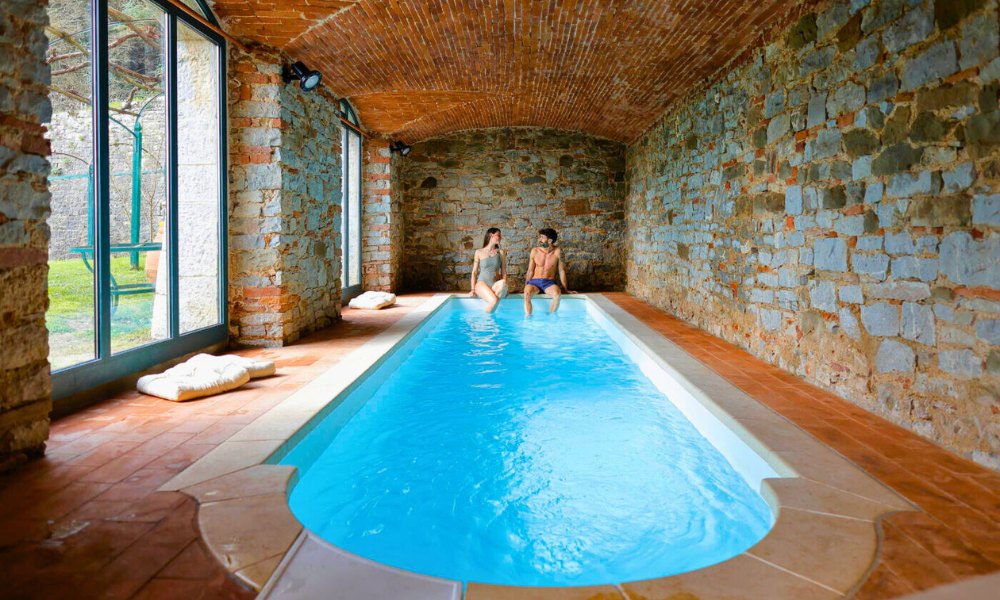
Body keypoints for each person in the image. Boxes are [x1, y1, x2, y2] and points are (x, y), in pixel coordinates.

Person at [523, 228, 576, 315]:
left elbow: (561, 271)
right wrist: (526, 285)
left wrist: (565, 289)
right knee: (527, 294)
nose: (539, 239)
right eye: (540, 237)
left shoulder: (558, 252)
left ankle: (551, 317)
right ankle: (528, 317)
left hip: (549, 283)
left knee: (557, 294)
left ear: (550, 240)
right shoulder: (534, 251)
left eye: (542, 237)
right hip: (534, 282)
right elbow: (530, 271)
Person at [469, 227, 509, 312]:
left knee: (503, 283)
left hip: (494, 285)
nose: (500, 237)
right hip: (481, 284)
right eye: (498, 235)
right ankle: (487, 319)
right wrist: (472, 289)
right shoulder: (479, 252)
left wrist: (505, 288)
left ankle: (488, 315)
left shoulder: (500, 253)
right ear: (491, 235)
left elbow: (503, 272)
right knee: (495, 300)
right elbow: (474, 272)